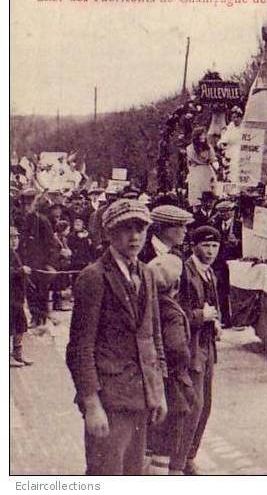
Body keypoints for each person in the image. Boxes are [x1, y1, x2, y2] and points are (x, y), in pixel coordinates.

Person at [65, 199, 167, 475]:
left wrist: (158, 391)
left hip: (140, 398)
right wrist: (91, 403)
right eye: (125, 229)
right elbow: (79, 349)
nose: (134, 236)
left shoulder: (146, 274)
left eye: (140, 229)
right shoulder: (93, 277)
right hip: (109, 401)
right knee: (105, 474)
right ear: (109, 232)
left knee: (133, 474)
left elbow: (153, 335)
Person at [146, 253, 196, 475]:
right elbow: (177, 350)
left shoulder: (149, 305)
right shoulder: (172, 311)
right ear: (176, 284)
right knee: (166, 443)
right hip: (172, 384)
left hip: (154, 382)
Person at [178, 226, 222, 475]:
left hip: (207, 345)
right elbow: (175, 312)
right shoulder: (184, 273)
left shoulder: (209, 274)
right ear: (194, 246)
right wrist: (200, 316)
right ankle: (181, 459)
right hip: (192, 346)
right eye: (206, 246)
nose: (211, 251)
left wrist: (215, 322)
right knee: (193, 404)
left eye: (215, 246)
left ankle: (190, 454)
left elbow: (214, 305)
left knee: (205, 405)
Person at [15, 188, 60, 327]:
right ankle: (35, 317)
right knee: (29, 291)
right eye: (25, 204)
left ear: (35, 204)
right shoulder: (21, 219)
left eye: (30, 204)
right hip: (26, 261)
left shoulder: (42, 221)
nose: (27, 207)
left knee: (41, 291)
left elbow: (52, 245)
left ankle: (42, 317)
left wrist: (50, 264)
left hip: (41, 263)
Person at [210, 200, 242, 326]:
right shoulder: (215, 225)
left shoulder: (239, 226)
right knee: (221, 291)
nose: (224, 214)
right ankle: (225, 319)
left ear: (233, 212)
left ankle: (237, 319)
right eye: (221, 212)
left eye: (227, 212)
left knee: (234, 290)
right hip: (219, 263)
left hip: (235, 262)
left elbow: (247, 244)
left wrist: (237, 243)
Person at [10, 226, 33, 367]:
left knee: (20, 326)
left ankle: (17, 354)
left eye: (16, 237)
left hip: (17, 297)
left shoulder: (14, 253)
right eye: (11, 237)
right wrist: (20, 271)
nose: (14, 240)